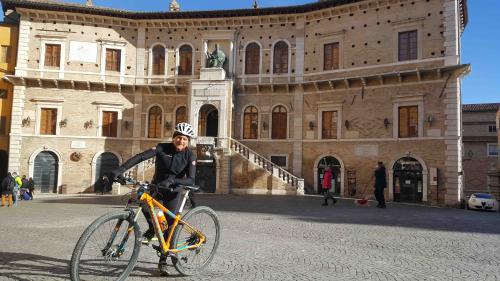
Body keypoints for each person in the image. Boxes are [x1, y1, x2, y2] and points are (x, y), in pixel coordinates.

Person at [110, 122, 196, 276]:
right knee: (142, 202)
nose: (180, 141)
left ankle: (163, 260)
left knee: (170, 226)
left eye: (184, 139)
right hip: (156, 187)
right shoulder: (162, 148)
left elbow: (191, 180)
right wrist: (121, 169)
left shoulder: (190, 155)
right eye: (178, 138)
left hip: (173, 192)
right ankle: (153, 228)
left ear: (188, 141)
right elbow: (141, 157)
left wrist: (174, 181)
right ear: (173, 138)